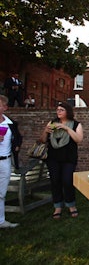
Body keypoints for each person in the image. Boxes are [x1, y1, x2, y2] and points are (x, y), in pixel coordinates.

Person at [40, 102, 83, 219]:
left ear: (67, 111)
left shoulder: (76, 124)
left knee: (67, 181)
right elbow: (43, 140)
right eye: (57, 110)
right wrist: (45, 131)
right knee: (55, 181)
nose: (58, 112)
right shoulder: (52, 123)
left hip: (68, 158)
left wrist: (66, 128)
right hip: (53, 158)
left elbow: (78, 139)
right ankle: (58, 206)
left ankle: (71, 205)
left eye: (61, 110)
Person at [0, 95, 22, 228]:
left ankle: (1, 221)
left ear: (5, 107)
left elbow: (18, 137)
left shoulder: (11, 124)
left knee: (1, 193)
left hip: (5, 162)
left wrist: (17, 145)